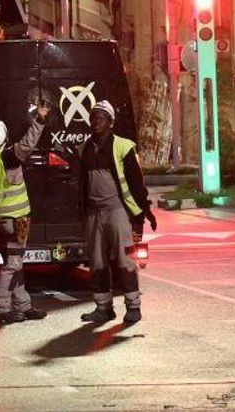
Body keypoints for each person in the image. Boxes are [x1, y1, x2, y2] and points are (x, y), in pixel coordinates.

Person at [77, 100, 156, 325]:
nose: (94, 122)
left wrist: (144, 212)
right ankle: (103, 308)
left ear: (110, 122)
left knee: (125, 259)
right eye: (92, 118)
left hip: (117, 210)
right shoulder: (85, 148)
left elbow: (136, 182)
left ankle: (133, 306)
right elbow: (82, 183)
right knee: (97, 261)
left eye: (99, 118)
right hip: (94, 212)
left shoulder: (123, 147)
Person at [0, 101, 51, 325]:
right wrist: (40, 119)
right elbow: (28, 144)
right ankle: (0, 308)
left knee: (13, 260)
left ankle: (23, 305)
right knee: (13, 263)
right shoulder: (7, 157)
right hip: (17, 218)